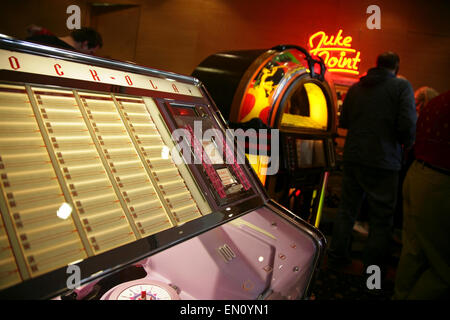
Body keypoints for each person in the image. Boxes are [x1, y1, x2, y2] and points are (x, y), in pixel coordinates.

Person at [327, 52, 417, 279]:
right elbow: (408, 125)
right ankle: (372, 271)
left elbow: (344, 121)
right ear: (396, 67)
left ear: (377, 65)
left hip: (354, 155)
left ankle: (336, 256)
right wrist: (406, 145)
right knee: (381, 219)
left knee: (347, 210)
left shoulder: (357, 88)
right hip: (385, 161)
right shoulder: (401, 87)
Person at [393, 90, 450, 299]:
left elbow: (412, 135)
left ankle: (400, 295)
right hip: (441, 180)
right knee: (443, 269)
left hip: (418, 172)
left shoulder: (438, 100)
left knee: (413, 251)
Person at [26, 26, 103, 55]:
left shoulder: (39, 38)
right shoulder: (71, 56)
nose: (90, 55)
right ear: (85, 44)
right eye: (91, 52)